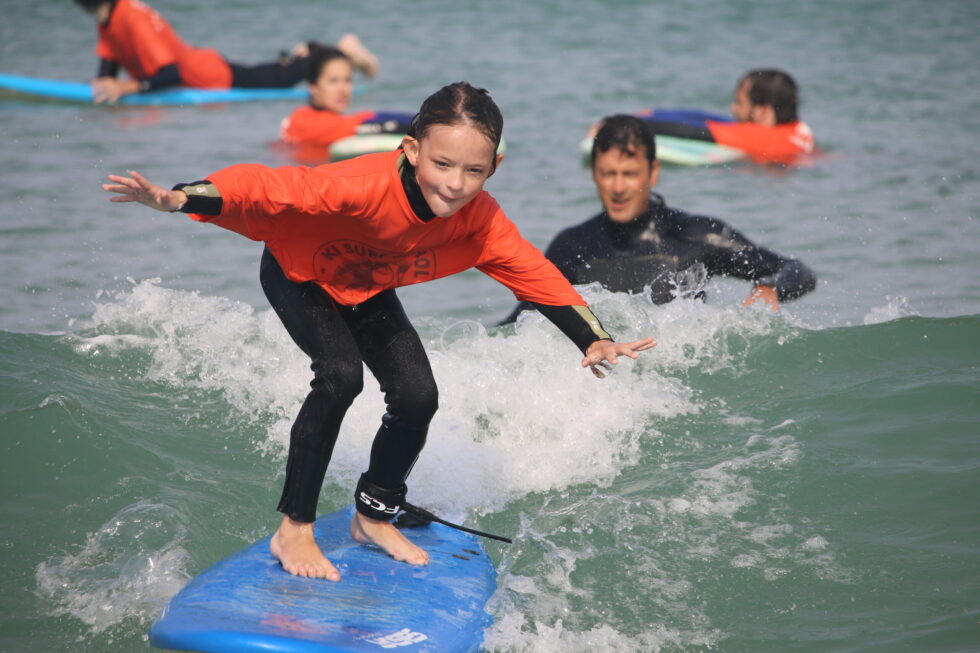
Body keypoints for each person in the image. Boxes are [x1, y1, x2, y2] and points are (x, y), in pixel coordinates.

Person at [101, 83, 655, 581]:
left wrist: (593, 338)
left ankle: (373, 512)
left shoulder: (481, 220)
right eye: (442, 164)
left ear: (495, 166)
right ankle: (293, 528)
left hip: (364, 285)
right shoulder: (360, 185)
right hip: (300, 273)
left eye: (474, 172)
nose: (456, 184)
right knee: (341, 377)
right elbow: (271, 188)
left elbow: (534, 274)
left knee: (418, 396)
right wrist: (181, 198)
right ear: (411, 149)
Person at [501, 114, 815, 324]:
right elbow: (522, 320)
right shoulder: (574, 245)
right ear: (595, 175)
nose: (619, 187)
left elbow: (797, 271)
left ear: (653, 172)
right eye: (608, 174)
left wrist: (770, 287)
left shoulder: (695, 235)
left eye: (630, 174)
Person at [74, 0, 379, 104]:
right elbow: (108, 68)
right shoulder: (110, 17)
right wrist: (107, 86)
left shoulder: (131, 17)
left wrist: (127, 87)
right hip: (204, 67)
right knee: (270, 72)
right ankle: (307, 53)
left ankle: (337, 52)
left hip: (212, 76)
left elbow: (171, 74)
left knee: (278, 79)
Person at [639, 69, 814, 165]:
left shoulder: (761, 137)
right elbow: (711, 119)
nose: (733, 108)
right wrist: (656, 113)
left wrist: (632, 125)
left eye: (739, 103)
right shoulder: (798, 130)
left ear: (763, 111)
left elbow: (695, 131)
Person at [278, 45, 413, 160]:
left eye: (347, 80)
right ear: (313, 87)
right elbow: (376, 124)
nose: (343, 89)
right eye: (333, 81)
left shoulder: (310, 118)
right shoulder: (304, 121)